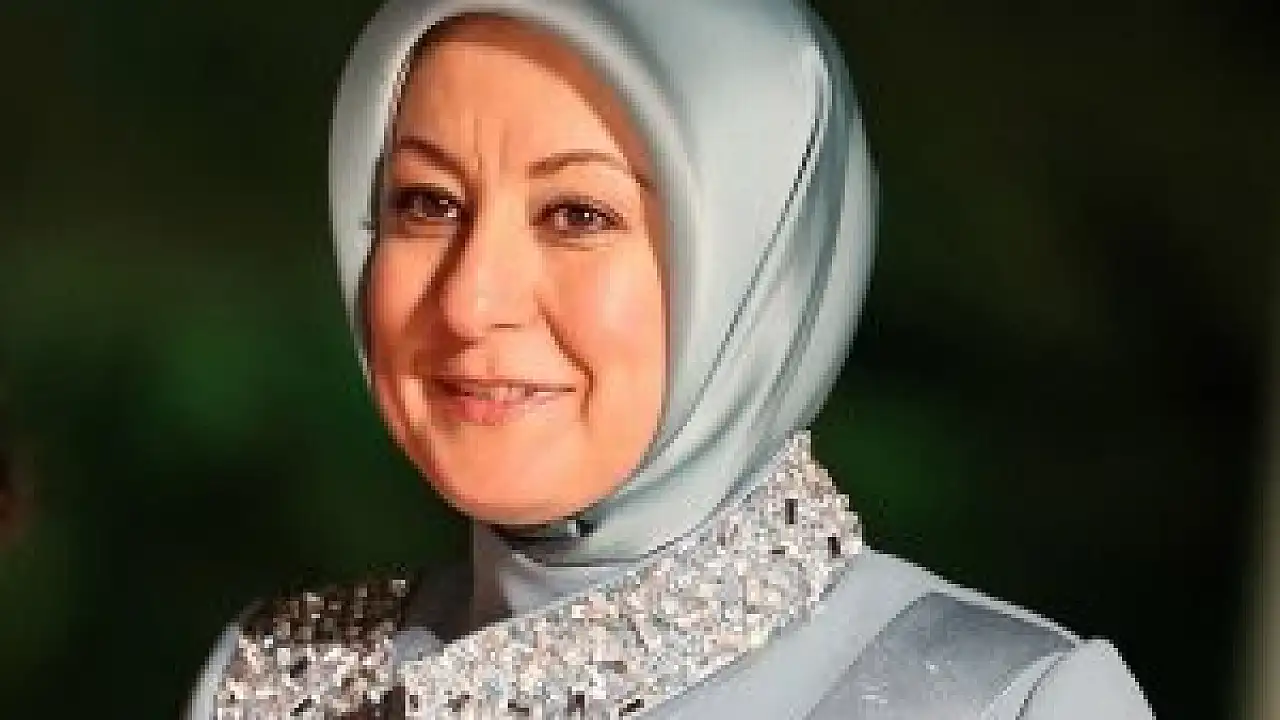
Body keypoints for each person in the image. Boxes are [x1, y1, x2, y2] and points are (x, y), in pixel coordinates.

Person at [187, 0, 1157, 717]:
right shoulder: (273, 683)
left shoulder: (998, 704)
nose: (470, 301)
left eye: (577, 215)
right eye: (429, 203)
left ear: (763, 263)